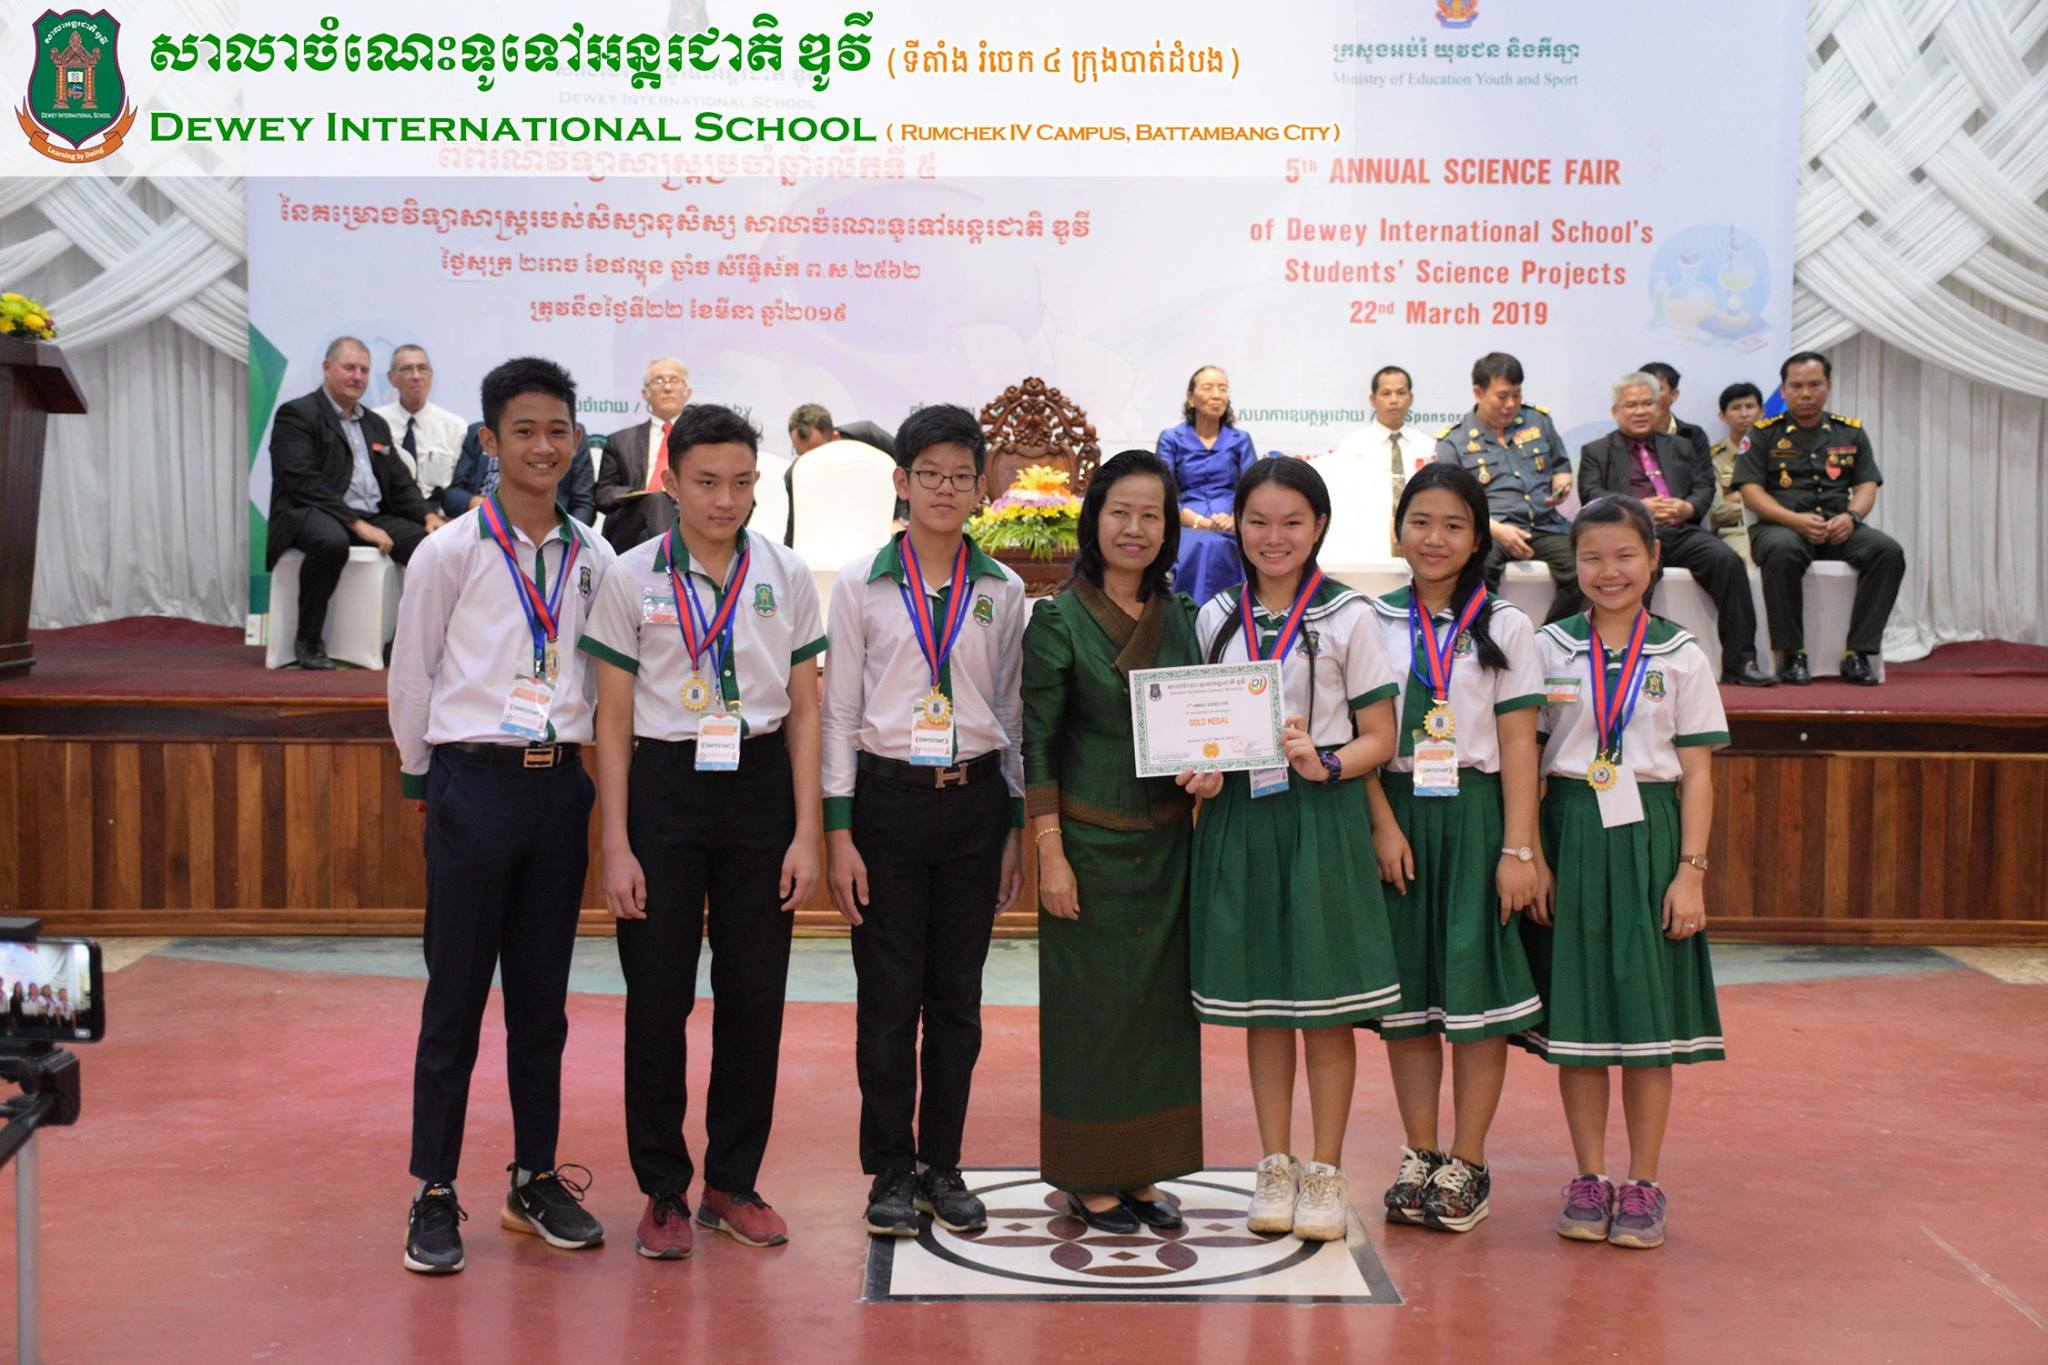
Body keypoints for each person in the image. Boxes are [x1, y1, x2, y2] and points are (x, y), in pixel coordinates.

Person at [579, 404, 827, 1260]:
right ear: (672, 482)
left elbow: (805, 710)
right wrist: (616, 842)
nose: (726, 500)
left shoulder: (786, 573)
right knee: (658, 1000)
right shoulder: (630, 575)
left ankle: (731, 1181)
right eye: (708, 482)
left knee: (755, 997)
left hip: (759, 790)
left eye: (742, 482)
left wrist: (807, 831)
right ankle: (662, 1188)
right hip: (663, 790)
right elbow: (612, 720)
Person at [387, 356, 618, 1276]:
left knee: (541, 1003)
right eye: (523, 430)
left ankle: (533, 1177)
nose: (542, 446)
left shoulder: (595, 556)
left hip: (558, 787)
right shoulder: (448, 551)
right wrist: (424, 787)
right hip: (471, 784)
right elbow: (413, 675)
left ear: (577, 439)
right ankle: (434, 1189)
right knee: (454, 998)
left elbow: (603, 678)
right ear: (490, 441)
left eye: (558, 430)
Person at [822, 404, 1027, 1240]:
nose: (946, 489)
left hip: (975, 803)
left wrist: (1013, 825)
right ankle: (890, 1168)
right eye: (930, 474)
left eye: (961, 476)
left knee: (956, 1000)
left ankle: (943, 1162)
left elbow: (1010, 713)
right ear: (901, 481)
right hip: (888, 805)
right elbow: (839, 714)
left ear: (981, 490)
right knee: (887, 999)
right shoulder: (859, 583)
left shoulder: (1002, 589)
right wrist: (839, 830)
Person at [1190, 458, 1401, 1242]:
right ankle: (1274, 1163)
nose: (1272, 537)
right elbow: (1200, 725)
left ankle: (1326, 1168)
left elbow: (1381, 735)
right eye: (1257, 521)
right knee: (1265, 1003)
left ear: (1319, 527)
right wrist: (1204, 770)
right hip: (1241, 817)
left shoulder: (1351, 616)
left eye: (1291, 522)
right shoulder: (1215, 614)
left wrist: (1330, 761)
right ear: (1237, 525)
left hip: (1323, 819)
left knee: (1326, 1005)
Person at [1521, 494, 1728, 1251]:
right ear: (1574, 564)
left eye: (1625, 555)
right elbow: (1525, 760)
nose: (1609, 571)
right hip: (1571, 831)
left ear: (1654, 558)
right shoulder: (1549, 647)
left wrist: (1691, 872)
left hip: (1651, 836)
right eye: (1593, 558)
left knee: (1645, 1021)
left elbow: (1698, 775)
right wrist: (1532, 853)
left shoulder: (1681, 654)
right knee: (1578, 1020)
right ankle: (1588, 1177)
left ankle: (1643, 1181)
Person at [1023, 449, 1219, 1234]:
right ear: (1094, 519)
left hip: (1168, 848)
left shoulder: (1184, 616)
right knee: (1091, 1014)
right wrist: (1050, 852)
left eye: (1151, 514)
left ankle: (1141, 1170)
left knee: (1156, 1014)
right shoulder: (1058, 619)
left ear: (1169, 528)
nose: (1135, 528)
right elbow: (1038, 745)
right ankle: (1086, 1174)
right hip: (1088, 847)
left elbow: (1203, 722)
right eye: (1120, 512)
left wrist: (1210, 767)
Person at [1361, 463, 1547, 1235]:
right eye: (1421, 521)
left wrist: (1519, 849)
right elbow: (1357, 733)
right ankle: (1420, 1152)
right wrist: (1380, 821)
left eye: (1453, 525)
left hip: (1475, 816)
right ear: (1398, 530)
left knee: (1475, 997)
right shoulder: (1369, 619)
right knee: (1407, 1001)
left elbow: (1519, 744)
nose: (1434, 538)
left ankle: (1468, 1159)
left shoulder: (1506, 625)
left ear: (1476, 540)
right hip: (1399, 813)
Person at [1579, 372, 1771, 686]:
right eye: (1631, 405)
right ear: (1615, 411)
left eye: (1647, 404)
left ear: (1659, 407)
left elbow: (1704, 486)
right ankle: (1623, 660)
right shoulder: (1597, 451)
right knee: (1634, 572)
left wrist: (1689, 507)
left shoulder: (1682, 446)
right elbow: (1591, 495)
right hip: (1630, 535)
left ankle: (1741, 662)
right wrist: (1637, 508)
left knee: (1728, 561)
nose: (1640, 411)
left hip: (1681, 530)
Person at [266, 336, 444, 670]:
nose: (357, 376)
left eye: (363, 370)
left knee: (430, 546)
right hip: (309, 512)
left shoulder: (374, 424)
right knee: (330, 541)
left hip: (369, 515)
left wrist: (427, 515)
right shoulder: (297, 414)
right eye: (349, 368)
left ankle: (401, 642)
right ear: (327, 368)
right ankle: (308, 642)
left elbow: (398, 482)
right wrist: (356, 524)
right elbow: (301, 480)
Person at [1734, 352, 1904, 686]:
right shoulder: (1763, 433)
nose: (1806, 393)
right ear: (1784, 390)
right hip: (1779, 527)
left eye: (1814, 385)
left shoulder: (1850, 432)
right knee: (1782, 550)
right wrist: (1793, 520)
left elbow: (1866, 485)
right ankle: (1792, 654)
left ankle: (1858, 653)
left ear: (1828, 386)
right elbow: (1751, 492)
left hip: (1838, 526)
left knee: (1887, 552)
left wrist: (1852, 516)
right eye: (1796, 386)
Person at [1433, 352, 1581, 623]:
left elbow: (1561, 466)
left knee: (1586, 566)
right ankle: (1491, 635)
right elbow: (1453, 504)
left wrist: (1562, 483)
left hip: (1545, 525)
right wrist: (1498, 531)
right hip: (1491, 529)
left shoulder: (1538, 421)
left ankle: (1551, 636)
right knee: (1475, 570)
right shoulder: (1454, 441)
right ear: (1478, 392)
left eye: (1517, 394)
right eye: (1502, 397)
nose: (1511, 404)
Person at [1157, 365, 1260, 604]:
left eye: (1223, 389)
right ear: (1190, 398)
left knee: (1228, 544)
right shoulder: (1171, 438)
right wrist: (1196, 521)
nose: (1217, 395)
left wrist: (1235, 518)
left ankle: (1234, 615)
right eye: (1208, 388)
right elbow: (1162, 492)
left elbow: (1253, 490)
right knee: (1203, 543)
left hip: (1231, 520)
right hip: (1184, 519)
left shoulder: (1240, 439)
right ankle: (1192, 614)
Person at [594, 357, 692, 555]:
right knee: (656, 501)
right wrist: (640, 496)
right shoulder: (620, 441)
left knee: (651, 534)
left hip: (687, 518)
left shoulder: (702, 441)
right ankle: (671, 563)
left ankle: (663, 563)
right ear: (645, 394)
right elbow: (603, 494)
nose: (667, 388)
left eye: (674, 380)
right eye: (658, 381)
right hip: (630, 523)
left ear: (687, 392)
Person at [785, 403, 902, 541]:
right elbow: (794, 529)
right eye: (801, 454)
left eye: (815, 453)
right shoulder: (795, 474)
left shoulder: (870, 436)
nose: (808, 463)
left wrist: (901, 519)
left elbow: (906, 472)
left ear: (835, 437)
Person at [445, 420, 596, 525]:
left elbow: (584, 503)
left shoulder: (567, 433)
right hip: (481, 521)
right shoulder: (479, 433)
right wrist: (482, 505)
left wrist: (569, 538)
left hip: (548, 529)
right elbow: (453, 495)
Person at [373, 344, 467, 505]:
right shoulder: (374, 422)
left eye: (422, 368)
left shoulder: (455, 427)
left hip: (439, 511)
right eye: (406, 369)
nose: (416, 376)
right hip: (388, 510)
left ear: (431, 376)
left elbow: (461, 486)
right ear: (391, 378)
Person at [1333, 365, 1424, 530]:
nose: (1394, 400)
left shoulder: (1427, 445)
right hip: (1366, 530)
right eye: (1386, 393)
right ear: (1373, 400)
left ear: (1411, 398)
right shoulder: (1353, 445)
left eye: (1401, 393)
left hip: (1416, 532)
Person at [1709, 383, 1762, 562]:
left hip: (1778, 528)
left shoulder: (1778, 454)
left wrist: (1740, 497)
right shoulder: (1713, 458)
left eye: (1750, 406)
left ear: (1761, 412)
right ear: (1723, 416)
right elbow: (1718, 512)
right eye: (1736, 408)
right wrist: (1764, 500)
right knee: (1746, 560)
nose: (1744, 414)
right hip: (1736, 532)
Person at [1639, 362, 1714, 469]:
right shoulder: (1625, 437)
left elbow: (1704, 477)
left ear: (1674, 395)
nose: (1649, 396)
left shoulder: (1692, 435)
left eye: (1657, 389)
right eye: (1644, 389)